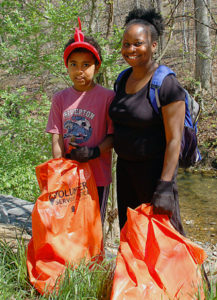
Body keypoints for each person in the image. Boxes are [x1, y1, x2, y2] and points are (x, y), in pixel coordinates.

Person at [109, 8, 186, 235]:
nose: (130, 49)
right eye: (126, 44)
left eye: (137, 43)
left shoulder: (167, 84)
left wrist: (164, 186)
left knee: (165, 240)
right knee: (132, 234)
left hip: (156, 175)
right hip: (125, 171)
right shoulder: (122, 80)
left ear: (153, 45)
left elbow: (175, 140)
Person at [46, 18, 115, 224]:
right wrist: (59, 168)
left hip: (98, 177)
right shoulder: (60, 98)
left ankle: (94, 258)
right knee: (69, 224)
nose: (79, 71)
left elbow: (113, 136)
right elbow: (57, 136)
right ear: (67, 66)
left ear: (96, 66)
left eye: (86, 65)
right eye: (74, 65)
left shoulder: (107, 97)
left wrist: (93, 152)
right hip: (69, 175)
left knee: (93, 225)